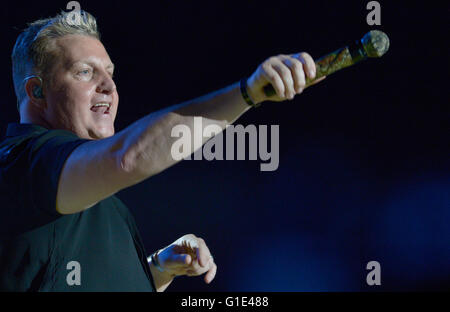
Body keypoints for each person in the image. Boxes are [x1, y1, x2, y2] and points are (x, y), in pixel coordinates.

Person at [0, 10, 324, 291]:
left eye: (110, 74)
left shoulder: (104, 205)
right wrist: (247, 93)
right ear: (38, 91)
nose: (109, 87)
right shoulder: (23, 162)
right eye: (85, 72)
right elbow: (126, 159)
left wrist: (156, 269)